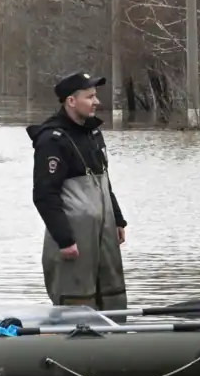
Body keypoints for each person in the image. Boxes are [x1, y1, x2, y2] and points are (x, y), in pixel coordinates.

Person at [26, 72, 128, 314]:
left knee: (112, 297)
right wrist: (65, 239)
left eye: (96, 96)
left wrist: (118, 218)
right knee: (76, 302)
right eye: (90, 97)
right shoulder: (52, 140)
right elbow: (44, 195)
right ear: (71, 101)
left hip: (103, 232)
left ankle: (116, 344)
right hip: (73, 237)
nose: (96, 102)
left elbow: (104, 180)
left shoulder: (92, 133)